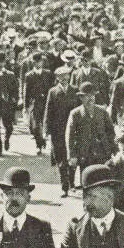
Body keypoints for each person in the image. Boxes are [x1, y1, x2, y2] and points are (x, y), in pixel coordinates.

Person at [65, 81, 117, 186]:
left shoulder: (102, 112)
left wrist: (114, 150)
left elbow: (111, 132)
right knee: (88, 183)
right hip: (85, 155)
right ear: (81, 98)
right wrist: (71, 155)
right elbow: (70, 135)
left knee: (103, 182)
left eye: (92, 95)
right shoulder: (76, 114)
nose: (90, 99)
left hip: (103, 153)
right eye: (87, 96)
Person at [43, 66, 79, 197]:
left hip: (74, 130)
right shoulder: (53, 92)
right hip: (58, 131)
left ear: (69, 77)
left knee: (72, 157)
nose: (64, 79)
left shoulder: (75, 91)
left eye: (66, 76)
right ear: (57, 78)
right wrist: (46, 130)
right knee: (61, 159)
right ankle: (64, 187)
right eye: (61, 77)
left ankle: (72, 182)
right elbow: (48, 111)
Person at [24, 52, 54, 155]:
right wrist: (25, 106)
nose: (38, 63)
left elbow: (51, 88)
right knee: (35, 126)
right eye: (36, 62)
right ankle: (39, 145)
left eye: (40, 61)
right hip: (35, 103)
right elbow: (26, 92)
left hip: (46, 102)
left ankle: (43, 140)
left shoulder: (48, 73)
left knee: (45, 122)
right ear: (33, 62)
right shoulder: (29, 75)